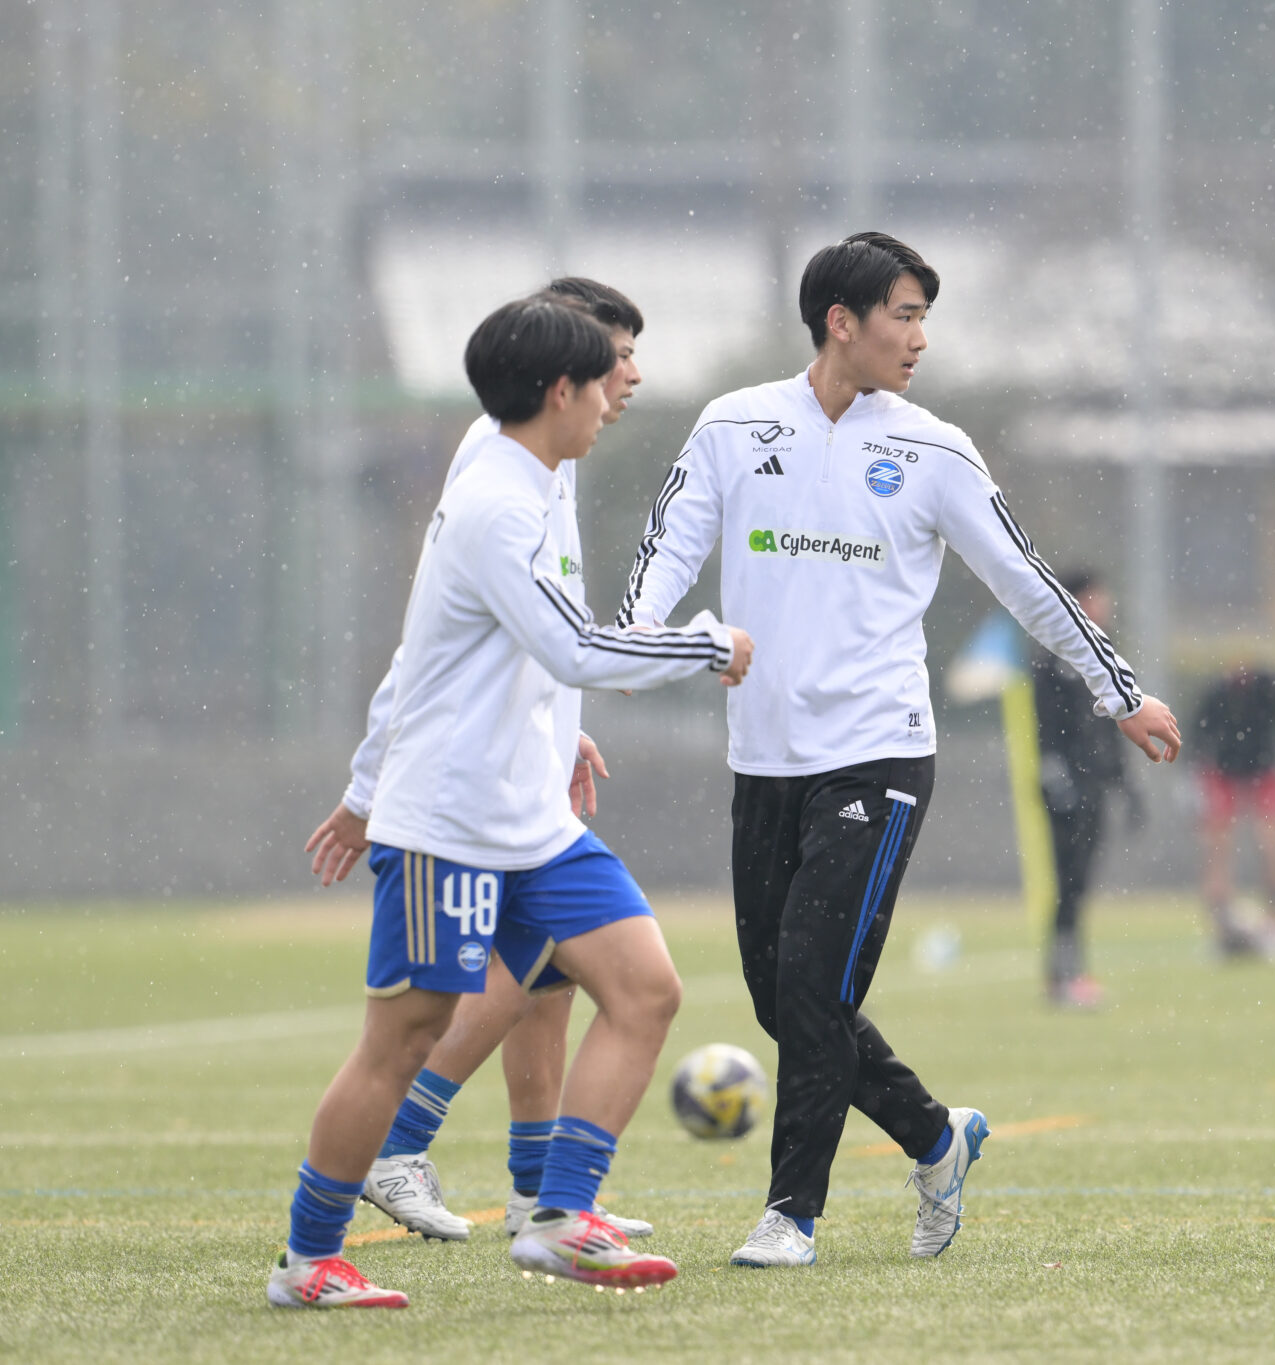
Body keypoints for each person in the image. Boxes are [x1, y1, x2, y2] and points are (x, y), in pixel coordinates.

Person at [616, 231, 1182, 1269]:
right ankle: (932, 1136)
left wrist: (1118, 691)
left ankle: (790, 1214)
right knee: (780, 995)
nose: (920, 338)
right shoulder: (732, 426)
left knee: (812, 985)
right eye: (905, 316)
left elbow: (1027, 581)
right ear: (842, 322)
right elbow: (666, 554)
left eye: (924, 318)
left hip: (878, 752)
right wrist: (633, 643)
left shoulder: (934, 449)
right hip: (763, 757)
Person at [266, 296, 753, 1309]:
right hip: (451, 819)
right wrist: (708, 644)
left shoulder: (536, 478)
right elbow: (571, 645)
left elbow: (511, 651)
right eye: (605, 377)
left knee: (644, 988)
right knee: (404, 1039)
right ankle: (309, 1259)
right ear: (559, 390)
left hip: (531, 820)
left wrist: (553, 728)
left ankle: (560, 1216)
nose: (618, 396)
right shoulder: (495, 499)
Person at [305, 278, 659, 1243]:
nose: (629, 375)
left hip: (527, 788)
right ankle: (382, 1168)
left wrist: (554, 724)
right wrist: (367, 787)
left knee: (568, 981)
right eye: (617, 354)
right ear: (563, 376)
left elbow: (528, 639)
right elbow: (436, 643)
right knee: (451, 1005)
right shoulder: (498, 469)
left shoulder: (556, 460)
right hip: (465, 801)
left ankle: (545, 1198)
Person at [1032, 568, 1141, 1009]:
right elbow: (1047, 729)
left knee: (1081, 881)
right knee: (1069, 879)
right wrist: (1057, 777)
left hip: (1094, 786)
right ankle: (1062, 975)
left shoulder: (1102, 658)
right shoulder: (1054, 658)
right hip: (1068, 789)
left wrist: (1126, 785)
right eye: (1096, 598)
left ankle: (1070, 970)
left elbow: (1111, 727)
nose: (1105, 606)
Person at [1192, 660, 1275, 958]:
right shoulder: (1218, 692)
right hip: (1223, 770)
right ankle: (1222, 922)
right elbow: (1196, 735)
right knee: (1217, 848)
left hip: (1265, 769)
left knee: (1272, 844)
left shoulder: (1271, 688)